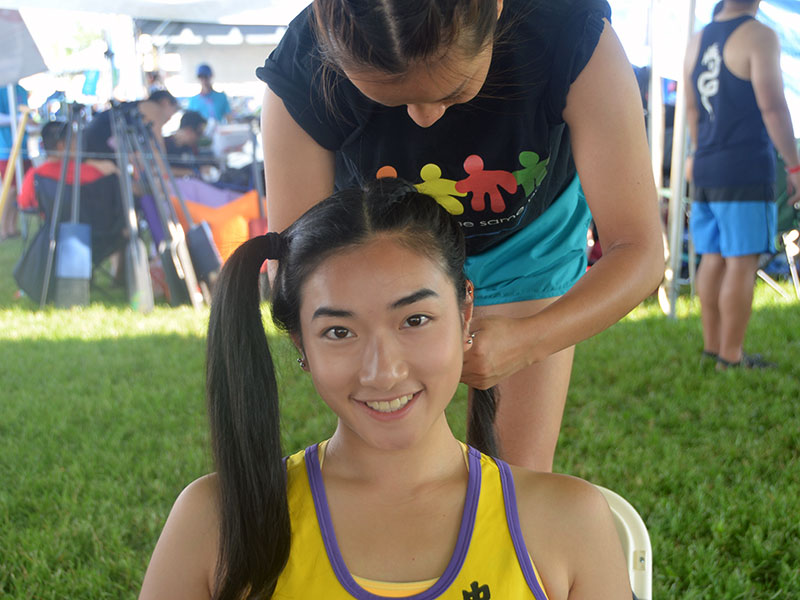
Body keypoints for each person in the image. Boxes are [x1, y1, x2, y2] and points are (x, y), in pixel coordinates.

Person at [138, 178, 632, 600]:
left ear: (464, 314)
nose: (383, 371)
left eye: (415, 319)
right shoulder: (214, 520)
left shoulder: (570, 523)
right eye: (339, 332)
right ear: (301, 345)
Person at [257, 0, 664, 471]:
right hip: (376, 264)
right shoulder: (303, 65)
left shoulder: (569, 33)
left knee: (514, 476)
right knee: (390, 473)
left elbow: (640, 251)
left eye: (452, 91)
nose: (424, 118)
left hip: (527, 246)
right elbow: (300, 270)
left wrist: (528, 340)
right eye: (389, 100)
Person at [684, 0, 800, 370]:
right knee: (741, 262)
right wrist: (795, 166)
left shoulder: (696, 39)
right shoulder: (760, 35)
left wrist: (700, 155)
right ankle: (731, 356)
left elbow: (691, 110)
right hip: (744, 167)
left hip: (706, 166)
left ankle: (712, 346)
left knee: (713, 258)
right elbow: (773, 106)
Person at [18, 120, 118, 213]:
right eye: (75, 140)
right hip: (91, 227)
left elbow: (24, 203)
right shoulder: (90, 171)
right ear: (62, 146)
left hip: (53, 229)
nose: (78, 145)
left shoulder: (35, 175)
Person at [82, 90, 179, 163]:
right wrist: (165, 174)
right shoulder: (154, 109)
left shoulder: (138, 106)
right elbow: (157, 145)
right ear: (165, 102)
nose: (170, 118)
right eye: (173, 112)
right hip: (99, 146)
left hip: (93, 144)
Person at [0, 83, 31, 239]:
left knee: (20, 188)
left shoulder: (21, 90)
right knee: (10, 189)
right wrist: (18, 118)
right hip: (6, 149)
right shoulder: (1, 88)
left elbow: (28, 117)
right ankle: (3, 228)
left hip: (23, 147)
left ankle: (12, 227)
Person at [164, 110, 216, 177]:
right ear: (189, 131)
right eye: (199, 134)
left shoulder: (192, 147)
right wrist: (193, 172)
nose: (199, 138)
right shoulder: (164, 144)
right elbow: (158, 170)